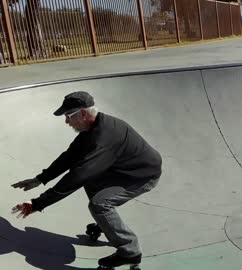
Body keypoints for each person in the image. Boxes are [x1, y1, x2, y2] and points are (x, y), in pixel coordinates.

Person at [11, 91, 162, 269]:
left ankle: (130, 251)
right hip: (121, 170)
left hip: (141, 176)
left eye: (68, 116)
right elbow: (69, 157)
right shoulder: (92, 129)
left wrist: (37, 203)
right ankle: (105, 224)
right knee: (92, 184)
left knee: (100, 204)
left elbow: (77, 176)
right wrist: (40, 179)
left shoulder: (104, 138)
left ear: (83, 113)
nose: (66, 122)